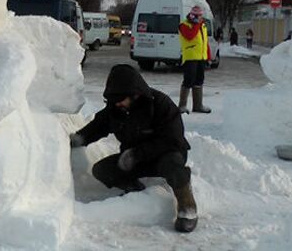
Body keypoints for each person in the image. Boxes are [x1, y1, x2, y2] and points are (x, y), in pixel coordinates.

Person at [70, 64, 198, 233]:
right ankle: (136, 191)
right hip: (133, 160)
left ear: (135, 94)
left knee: (174, 164)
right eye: (113, 101)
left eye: (120, 100)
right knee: (102, 170)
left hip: (164, 156)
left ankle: (187, 208)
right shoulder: (116, 108)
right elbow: (97, 127)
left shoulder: (160, 104)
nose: (117, 105)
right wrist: (77, 139)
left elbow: (173, 140)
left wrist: (138, 153)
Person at [177, 5, 211, 114]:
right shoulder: (184, 25)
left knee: (199, 80)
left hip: (201, 57)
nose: (198, 18)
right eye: (196, 16)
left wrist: (208, 55)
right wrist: (196, 24)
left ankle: (198, 105)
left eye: (200, 16)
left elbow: (205, 42)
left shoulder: (203, 26)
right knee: (188, 80)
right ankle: (182, 105)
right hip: (190, 57)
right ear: (191, 15)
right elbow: (190, 36)